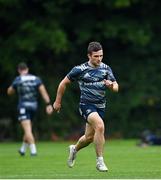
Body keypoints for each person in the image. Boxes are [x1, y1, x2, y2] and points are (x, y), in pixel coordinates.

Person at [53, 41, 119, 172]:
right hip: (86, 105)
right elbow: (63, 84)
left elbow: (116, 87)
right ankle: (100, 161)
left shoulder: (106, 68)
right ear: (89, 55)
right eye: (96, 56)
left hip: (101, 106)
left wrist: (111, 86)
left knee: (89, 138)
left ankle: (74, 149)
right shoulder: (79, 69)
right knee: (100, 126)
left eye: (101, 56)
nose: (99, 59)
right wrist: (57, 102)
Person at [7, 62, 53, 156]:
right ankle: (23, 149)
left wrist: (12, 89)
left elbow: (9, 92)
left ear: (19, 70)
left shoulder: (18, 79)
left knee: (27, 130)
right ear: (27, 69)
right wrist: (48, 104)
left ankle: (33, 151)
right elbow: (43, 91)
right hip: (33, 107)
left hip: (23, 107)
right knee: (28, 128)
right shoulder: (36, 79)